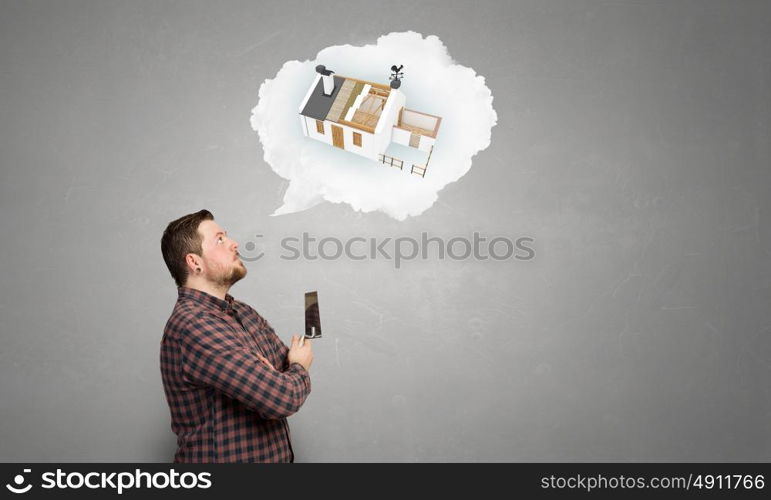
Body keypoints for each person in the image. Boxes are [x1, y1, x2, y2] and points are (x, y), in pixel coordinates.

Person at [159, 209, 313, 462]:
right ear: (194, 262)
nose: (234, 243)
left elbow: (279, 370)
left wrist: (275, 375)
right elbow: (281, 397)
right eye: (219, 239)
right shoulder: (195, 326)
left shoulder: (243, 312)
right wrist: (298, 366)